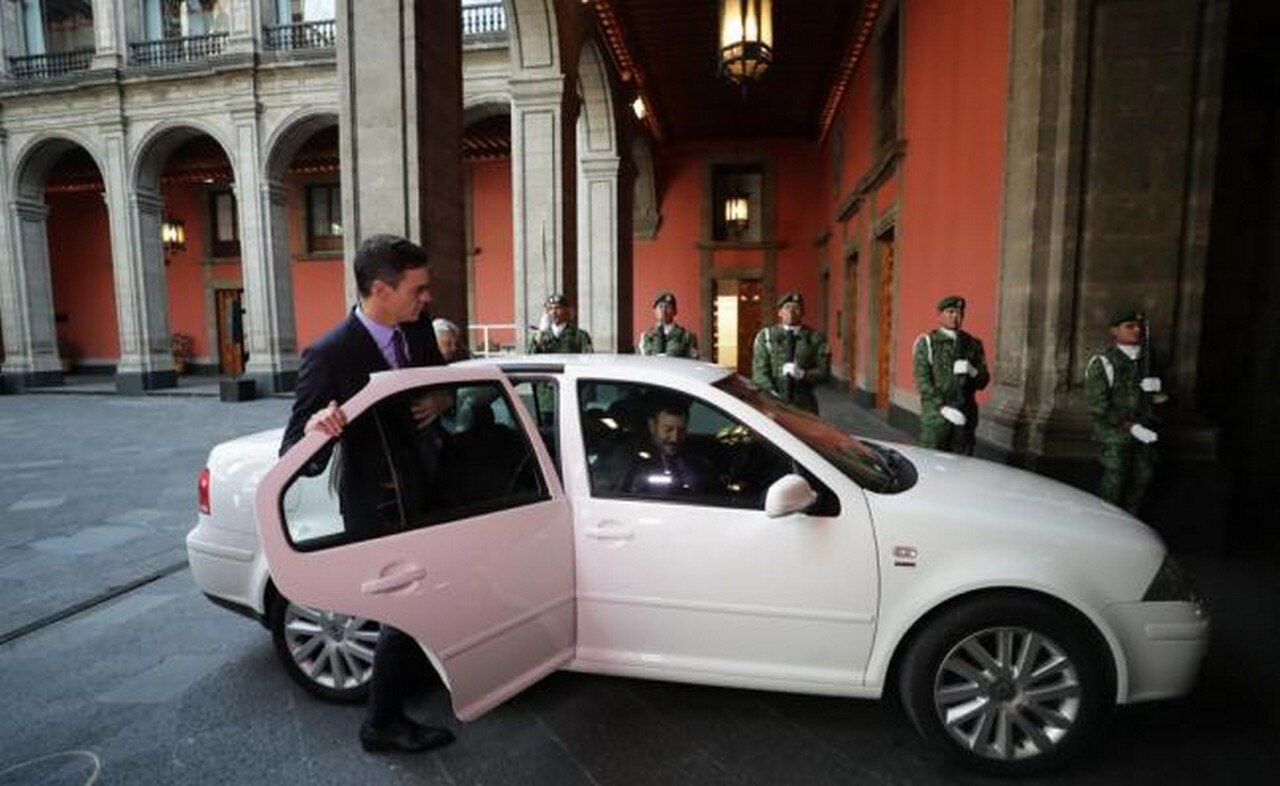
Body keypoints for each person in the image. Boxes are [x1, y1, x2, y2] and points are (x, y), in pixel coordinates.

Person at [279, 233, 454, 755]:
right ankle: (381, 722)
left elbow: (443, 384)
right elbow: (295, 454)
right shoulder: (329, 354)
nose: (426, 299)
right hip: (377, 506)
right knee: (400, 611)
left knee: (423, 604)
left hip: (430, 493)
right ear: (380, 289)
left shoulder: (417, 328)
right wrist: (318, 427)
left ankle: (402, 691)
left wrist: (442, 399)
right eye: (417, 289)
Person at [1084, 308, 1167, 513]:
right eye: (1129, 326)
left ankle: (1131, 521)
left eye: (1139, 327)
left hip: (1145, 430)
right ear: (1115, 331)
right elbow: (1098, 405)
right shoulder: (1103, 363)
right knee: (1115, 479)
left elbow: (1162, 401)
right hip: (1115, 434)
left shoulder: (1148, 361)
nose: (1136, 330)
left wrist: (1160, 391)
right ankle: (1108, 522)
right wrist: (1131, 427)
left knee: (1143, 478)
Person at [912, 295, 991, 454]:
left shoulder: (973, 344)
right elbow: (922, 381)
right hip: (936, 418)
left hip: (965, 416)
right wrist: (943, 408)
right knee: (932, 460)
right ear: (939, 315)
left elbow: (983, 382)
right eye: (950, 312)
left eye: (959, 312)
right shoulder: (928, 343)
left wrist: (973, 371)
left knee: (962, 461)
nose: (955, 316)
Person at [751, 291, 831, 414]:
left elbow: (824, 372)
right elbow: (759, 372)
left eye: (796, 308)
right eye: (787, 307)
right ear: (779, 312)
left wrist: (803, 374)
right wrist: (773, 394)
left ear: (802, 312)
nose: (791, 312)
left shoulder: (815, 338)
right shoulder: (766, 336)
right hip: (773, 398)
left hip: (804, 400)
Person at [621, 397, 711, 496]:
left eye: (681, 430)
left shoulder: (696, 460)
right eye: (668, 430)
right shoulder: (631, 461)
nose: (674, 438)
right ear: (652, 426)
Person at [637, 291, 699, 358]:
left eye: (668, 307)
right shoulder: (645, 337)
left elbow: (692, 360)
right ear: (655, 311)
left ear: (675, 311)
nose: (663, 310)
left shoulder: (687, 336)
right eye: (660, 306)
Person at [527, 292, 593, 353]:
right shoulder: (540, 336)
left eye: (558, 308)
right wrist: (540, 333)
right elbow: (530, 357)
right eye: (550, 309)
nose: (553, 312)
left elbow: (589, 358)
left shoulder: (580, 336)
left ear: (566, 310)